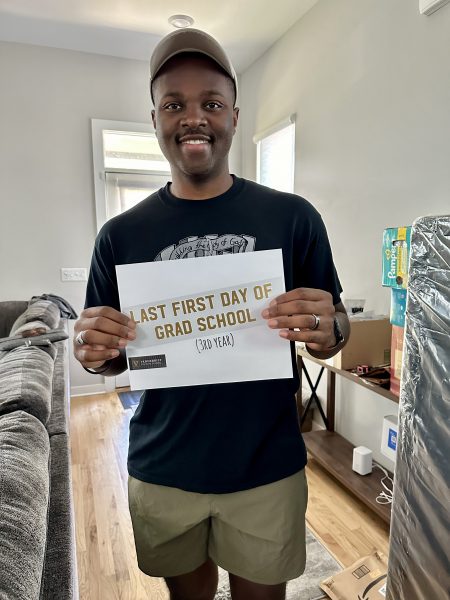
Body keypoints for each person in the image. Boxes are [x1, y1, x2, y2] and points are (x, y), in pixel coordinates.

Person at [74, 28, 350, 600]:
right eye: (174, 104)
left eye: (212, 103)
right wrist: (94, 352)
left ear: (234, 117)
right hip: (164, 466)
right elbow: (110, 357)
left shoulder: (293, 217)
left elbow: (335, 325)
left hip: (266, 466)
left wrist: (328, 331)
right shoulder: (120, 236)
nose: (194, 118)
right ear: (155, 119)